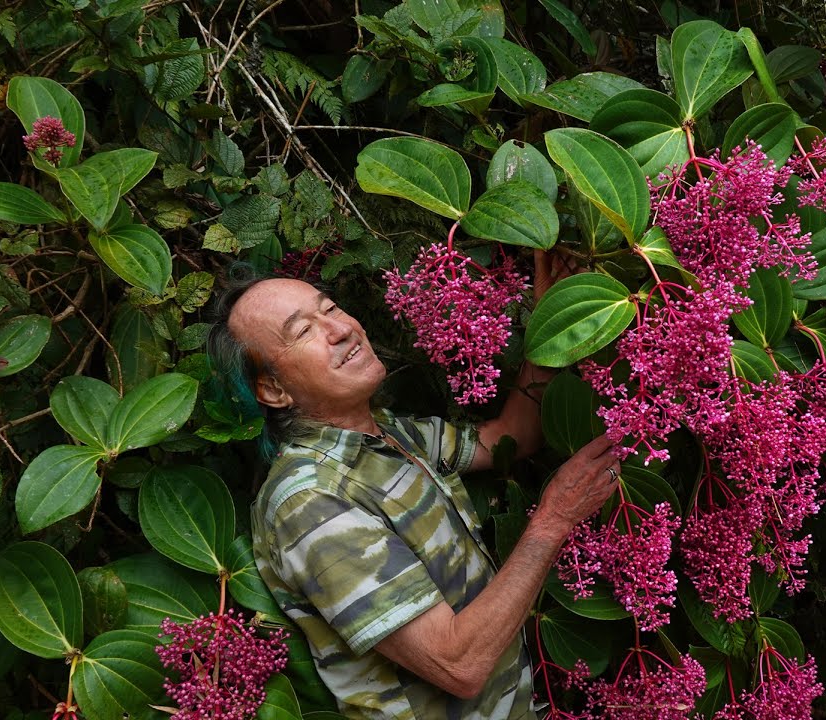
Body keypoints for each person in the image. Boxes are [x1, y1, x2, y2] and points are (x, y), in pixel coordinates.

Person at [206, 250, 621, 720]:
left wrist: (553, 317)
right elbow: (457, 664)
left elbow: (513, 436)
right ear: (273, 390)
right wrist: (553, 520)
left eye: (330, 309)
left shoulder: (392, 435)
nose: (340, 329)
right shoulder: (310, 503)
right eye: (303, 331)